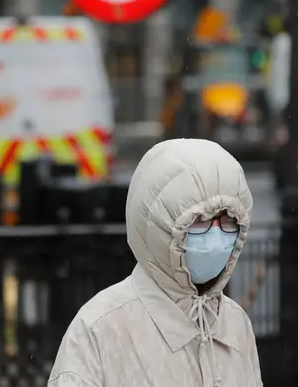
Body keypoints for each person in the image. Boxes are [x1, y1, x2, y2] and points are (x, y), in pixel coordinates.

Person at [48, 139, 261, 386]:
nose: (216, 236)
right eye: (200, 220)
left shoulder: (235, 323)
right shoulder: (101, 328)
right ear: (161, 227)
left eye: (228, 221)